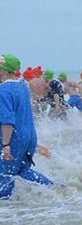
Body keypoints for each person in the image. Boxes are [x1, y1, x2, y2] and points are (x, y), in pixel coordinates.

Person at [1, 54, 54, 198]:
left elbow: (7, 121)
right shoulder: (22, 86)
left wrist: (6, 144)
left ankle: (5, 209)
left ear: (3, 70)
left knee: (4, 174)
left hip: (13, 139)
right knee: (22, 170)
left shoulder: (4, 90)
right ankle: (55, 188)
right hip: (29, 137)